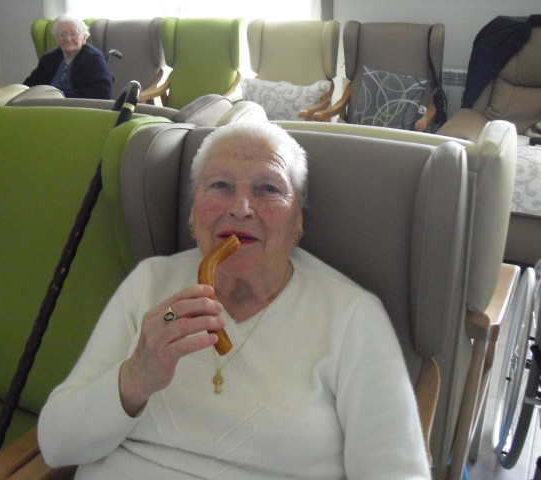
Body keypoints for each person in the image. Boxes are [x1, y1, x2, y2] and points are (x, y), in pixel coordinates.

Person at [38, 122, 431, 479]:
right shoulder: (151, 283)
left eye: (268, 189)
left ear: (297, 221)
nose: (241, 208)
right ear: (193, 214)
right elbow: (57, 446)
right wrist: (137, 375)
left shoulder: (352, 316)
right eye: (220, 185)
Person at [24, 15, 113, 99]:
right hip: (47, 107)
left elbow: (103, 92)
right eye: (62, 35)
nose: (68, 39)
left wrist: (58, 95)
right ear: (56, 38)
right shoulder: (48, 59)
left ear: (84, 37)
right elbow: (28, 86)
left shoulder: (94, 59)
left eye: (74, 34)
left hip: (81, 108)